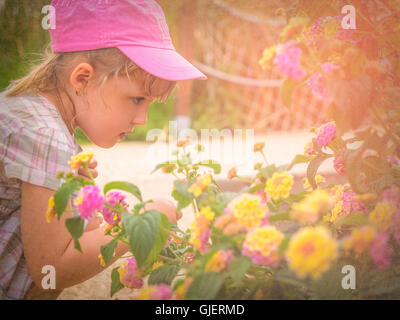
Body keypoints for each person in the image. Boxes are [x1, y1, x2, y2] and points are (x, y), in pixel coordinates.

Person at [0, 0, 206, 300]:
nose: (142, 120)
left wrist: (74, 192)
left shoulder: (30, 115)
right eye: (136, 99)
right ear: (83, 79)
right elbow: (51, 269)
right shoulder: (45, 136)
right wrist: (138, 225)